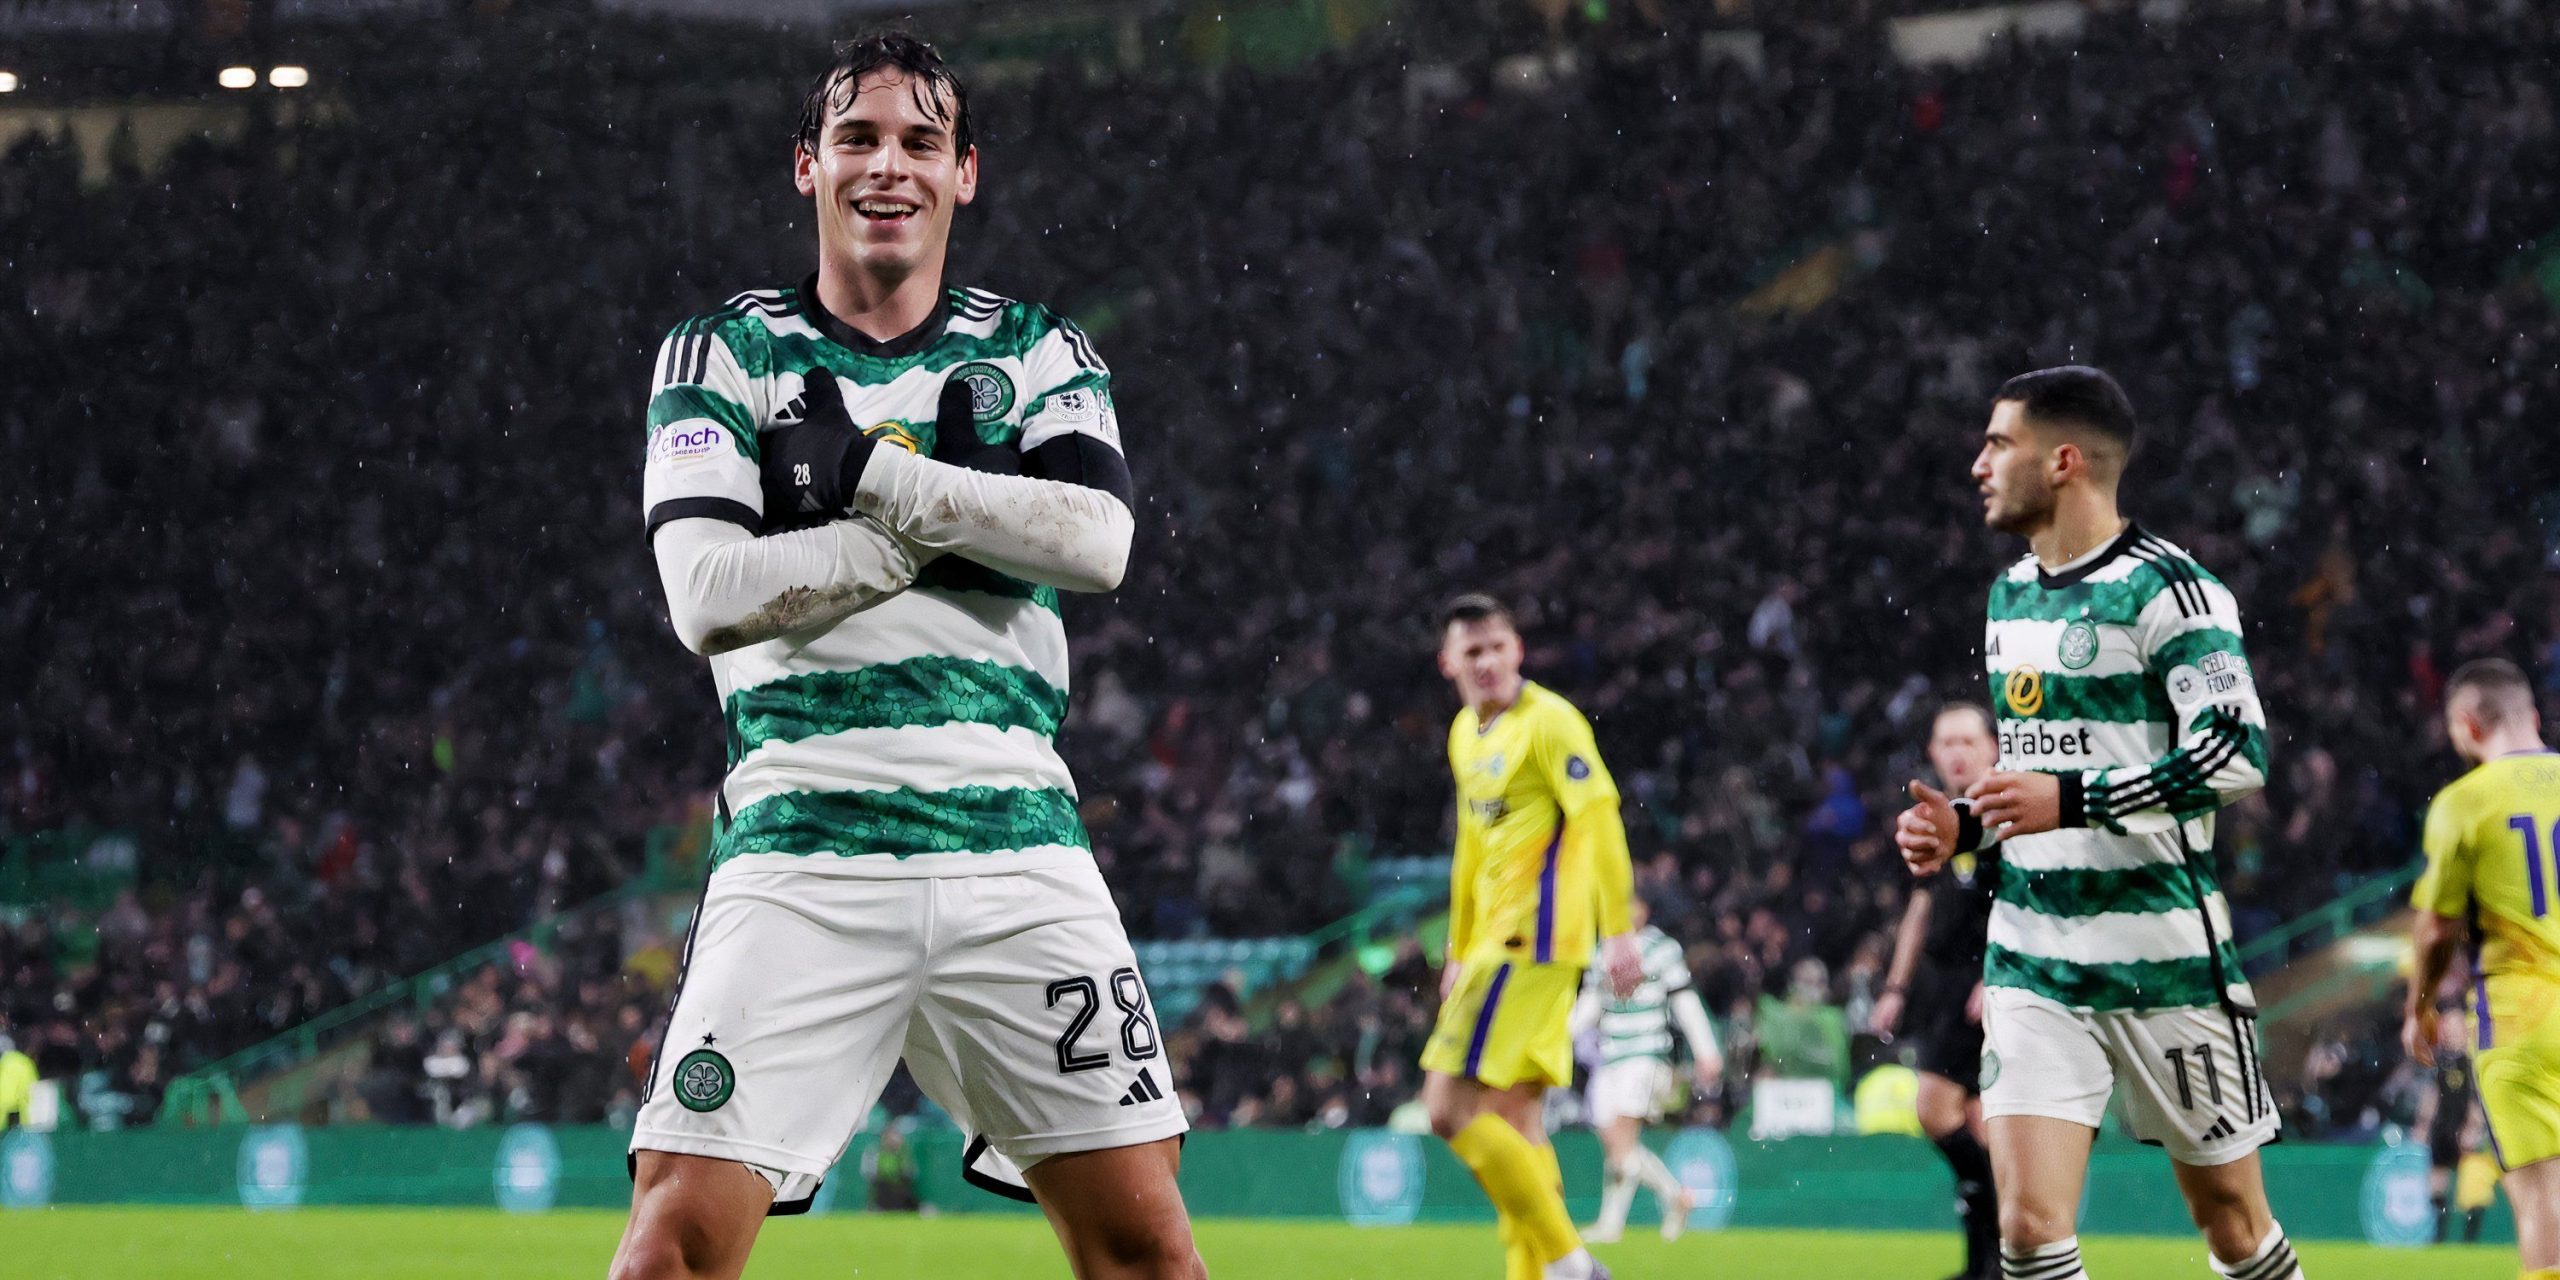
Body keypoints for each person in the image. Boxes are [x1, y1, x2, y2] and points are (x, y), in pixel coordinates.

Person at [614, 33, 1197, 1280]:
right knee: (669, 1253)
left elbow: (1095, 542)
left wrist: (864, 476)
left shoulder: (1039, 346)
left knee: (1149, 1252)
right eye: (858, 138)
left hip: (1018, 853)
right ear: (807, 165)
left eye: (921, 142)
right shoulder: (721, 353)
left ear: (964, 173)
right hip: (803, 852)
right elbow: (707, 597)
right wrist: (962, 515)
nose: (889, 165)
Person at [1895, 367, 2300, 1280]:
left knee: (2234, 1229)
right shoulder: (2010, 595)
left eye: (1999, 444)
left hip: (2165, 963)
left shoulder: (2173, 592)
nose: (1978, 465)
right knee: (2029, 1229)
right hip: (2033, 960)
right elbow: (2033, 777)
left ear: (2064, 461)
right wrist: (1966, 825)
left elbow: (2236, 753)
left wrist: (2070, 799)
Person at [1421, 594, 1642, 1280]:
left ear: (1518, 650)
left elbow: (1598, 817)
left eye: (1497, 647)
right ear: (1448, 662)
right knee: (1517, 1119)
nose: (1486, 661)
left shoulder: (1550, 722)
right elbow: (1470, 849)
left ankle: (1573, 1267)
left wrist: (1619, 930)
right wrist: (1457, 948)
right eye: (1472, 651)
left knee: (1446, 1108)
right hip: (1497, 946)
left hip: (1530, 944)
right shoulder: (1465, 734)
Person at [2404, 657, 2560, 1280]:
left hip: (2522, 1023)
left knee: (2543, 1197)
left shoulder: (2464, 802)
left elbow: (2437, 927)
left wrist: (2418, 1008)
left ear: (2467, 726)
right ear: (2534, 717)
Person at [1875, 702, 2003, 1280]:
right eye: (1946, 742)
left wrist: (1995, 973)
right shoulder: (1934, 819)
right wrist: (1895, 987)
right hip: (1942, 986)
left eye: (1967, 741)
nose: (1956, 752)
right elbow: (1920, 907)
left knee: (1933, 1108)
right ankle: (1988, 1263)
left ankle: (2002, 1253)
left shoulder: (2008, 813)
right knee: (1977, 1126)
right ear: (1931, 751)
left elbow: (2024, 903)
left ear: (1992, 747)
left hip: (1984, 985)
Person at [1572, 895, 1720, 1243]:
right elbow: (1591, 1002)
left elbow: (1684, 999)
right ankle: (1675, 1196)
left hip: (1645, 1052)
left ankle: (1612, 1224)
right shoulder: (1601, 950)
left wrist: (1706, 1050)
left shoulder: (1661, 949)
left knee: (1622, 1137)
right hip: (1610, 1055)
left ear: (1645, 909)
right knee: (1615, 1142)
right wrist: (1562, 1036)